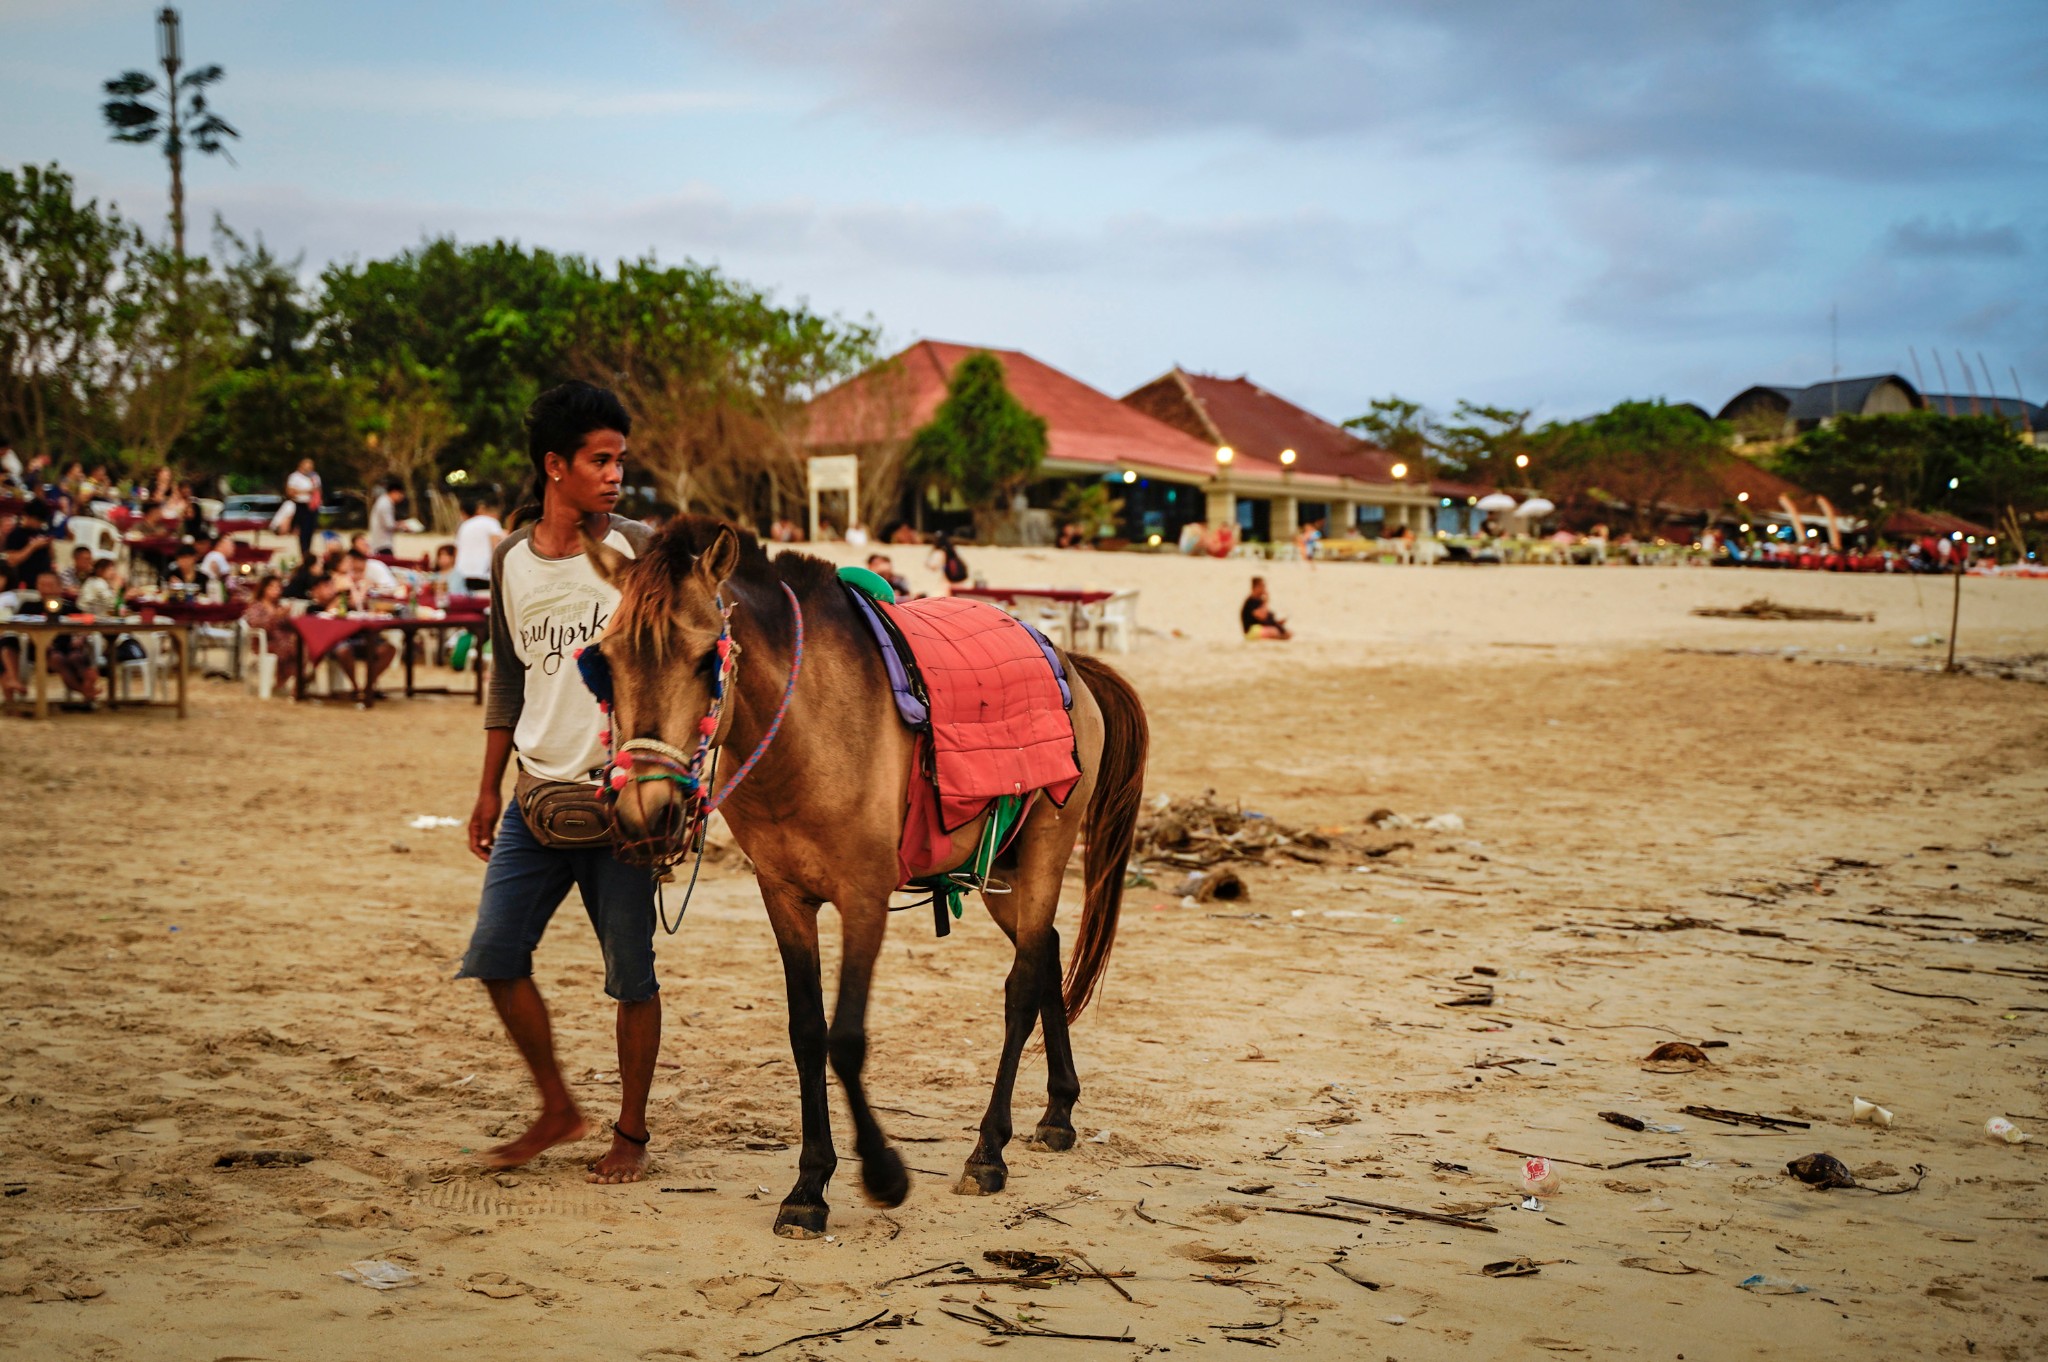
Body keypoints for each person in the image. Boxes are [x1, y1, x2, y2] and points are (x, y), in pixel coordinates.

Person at [460, 379, 659, 1185]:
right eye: (598, 460)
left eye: (620, 461)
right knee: (496, 956)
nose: (614, 475)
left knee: (631, 976)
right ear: (555, 466)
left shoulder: (642, 550)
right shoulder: (510, 557)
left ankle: (632, 1134)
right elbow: (508, 680)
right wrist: (485, 787)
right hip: (534, 795)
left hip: (623, 803)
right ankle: (556, 1107)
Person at [454, 497, 505, 592]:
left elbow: (457, 550)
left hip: (462, 573)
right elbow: (496, 547)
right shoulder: (491, 522)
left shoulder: (464, 525)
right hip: (483, 573)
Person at [3, 499, 56, 585]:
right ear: (28, 516)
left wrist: (50, 546)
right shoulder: (15, 534)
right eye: (37, 520)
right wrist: (32, 546)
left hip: (42, 582)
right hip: (23, 583)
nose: (39, 524)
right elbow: (11, 561)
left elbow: (51, 558)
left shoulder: (42, 532)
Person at [285, 457, 322, 562]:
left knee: (310, 530)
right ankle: (303, 553)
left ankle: (308, 552)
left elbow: (318, 490)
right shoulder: (294, 477)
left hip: (312, 506)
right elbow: (290, 492)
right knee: (303, 531)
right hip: (301, 505)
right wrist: (306, 491)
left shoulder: (315, 477)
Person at [1240, 575, 1291, 640]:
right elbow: (1262, 616)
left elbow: (1266, 619)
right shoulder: (1250, 601)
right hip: (1252, 631)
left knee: (1287, 633)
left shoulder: (1259, 601)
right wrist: (1266, 602)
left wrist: (1277, 622)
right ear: (1256, 587)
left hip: (1262, 628)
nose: (1264, 589)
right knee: (1274, 631)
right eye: (1262, 586)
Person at [368, 482, 404, 555]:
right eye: (401, 494)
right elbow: (389, 525)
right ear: (394, 492)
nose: (402, 497)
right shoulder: (385, 504)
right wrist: (402, 526)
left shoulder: (384, 502)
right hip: (382, 544)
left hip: (382, 542)